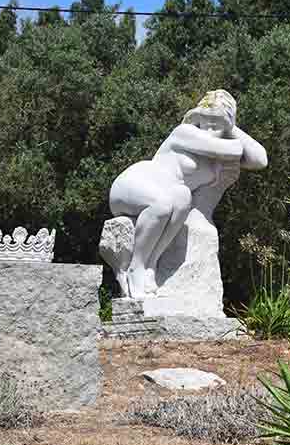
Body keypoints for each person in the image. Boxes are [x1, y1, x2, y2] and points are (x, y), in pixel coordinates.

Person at [109, 90, 267, 298]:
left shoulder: (215, 155)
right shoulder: (184, 132)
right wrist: (224, 125)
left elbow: (260, 160)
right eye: (204, 120)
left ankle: (151, 264)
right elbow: (235, 150)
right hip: (137, 181)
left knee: (183, 196)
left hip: (171, 193)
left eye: (216, 123)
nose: (208, 127)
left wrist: (231, 125)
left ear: (227, 125)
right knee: (162, 203)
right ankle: (136, 267)